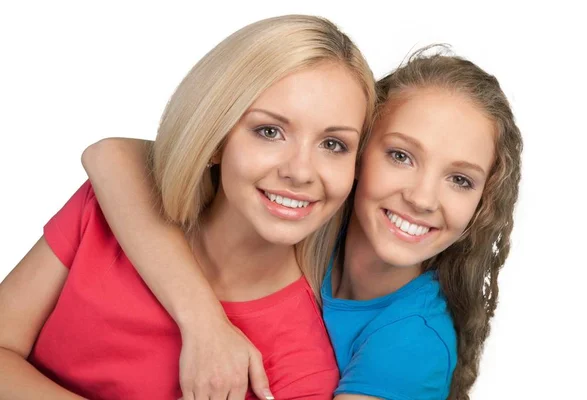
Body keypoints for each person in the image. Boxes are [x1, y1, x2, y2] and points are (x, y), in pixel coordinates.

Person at [81, 46, 522, 399]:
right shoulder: (307, 217)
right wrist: (204, 325)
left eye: (460, 180)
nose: (423, 198)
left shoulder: (412, 345)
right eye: (401, 156)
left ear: (482, 206)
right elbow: (111, 155)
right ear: (356, 151)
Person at [0, 15, 376, 400]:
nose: (300, 172)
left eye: (333, 145)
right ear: (215, 139)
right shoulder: (109, 210)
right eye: (269, 132)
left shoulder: (305, 368)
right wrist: (204, 324)